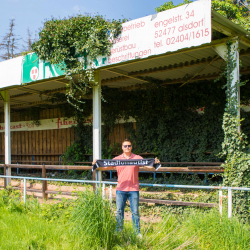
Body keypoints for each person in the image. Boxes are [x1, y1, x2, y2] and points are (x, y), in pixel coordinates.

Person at [92, 139, 160, 235]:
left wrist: (154, 163)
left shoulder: (137, 158)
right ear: (122, 148)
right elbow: (106, 166)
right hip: (121, 189)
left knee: (135, 212)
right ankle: (119, 231)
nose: (127, 147)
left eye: (129, 145)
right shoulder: (117, 159)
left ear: (131, 147)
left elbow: (147, 166)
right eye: (125, 146)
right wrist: (96, 164)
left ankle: (137, 233)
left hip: (134, 189)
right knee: (119, 211)